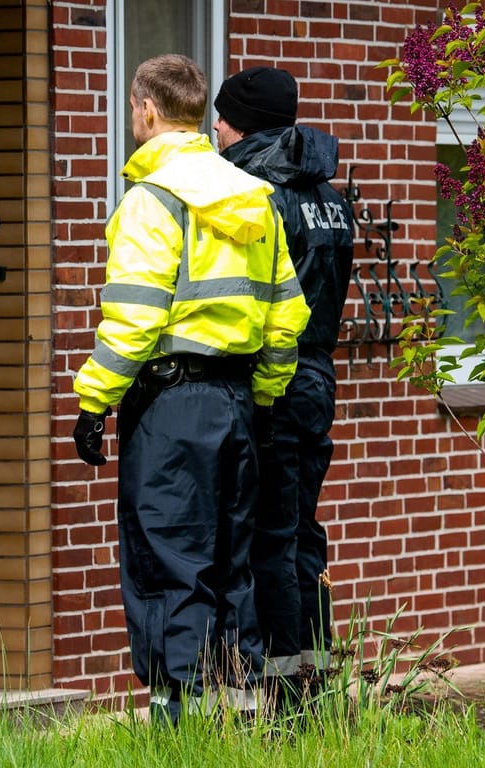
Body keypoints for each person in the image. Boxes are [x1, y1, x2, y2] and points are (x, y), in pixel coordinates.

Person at [71, 54, 310, 724]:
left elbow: (135, 316)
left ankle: (179, 731)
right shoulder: (253, 199)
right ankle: (237, 722)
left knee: (170, 559)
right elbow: (288, 314)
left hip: (170, 405)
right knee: (231, 565)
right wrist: (262, 395)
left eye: (131, 109)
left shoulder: (152, 200)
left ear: (147, 110)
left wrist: (95, 402)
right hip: (236, 402)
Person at [213, 66, 356, 709]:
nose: (213, 129)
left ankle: (284, 701)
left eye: (220, 117)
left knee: (267, 537)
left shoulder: (254, 192)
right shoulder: (328, 192)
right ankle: (316, 683)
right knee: (301, 532)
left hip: (273, 377)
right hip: (318, 375)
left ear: (242, 122)